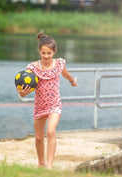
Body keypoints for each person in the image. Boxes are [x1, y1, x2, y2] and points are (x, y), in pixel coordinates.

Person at [17, 32, 78, 169]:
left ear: (54, 52)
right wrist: (21, 93)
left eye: (49, 53)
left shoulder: (59, 64)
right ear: (39, 51)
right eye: (43, 53)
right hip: (39, 106)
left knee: (50, 132)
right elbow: (21, 85)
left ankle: (49, 166)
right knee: (39, 138)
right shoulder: (32, 67)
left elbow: (66, 74)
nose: (46, 56)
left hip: (55, 105)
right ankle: (41, 163)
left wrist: (72, 81)